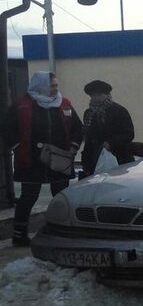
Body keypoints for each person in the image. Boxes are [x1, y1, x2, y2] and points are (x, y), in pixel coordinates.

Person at [4, 71, 83, 246]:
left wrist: (73, 147)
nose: (55, 89)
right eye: (52, 86)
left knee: (61, 197)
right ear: (40, 86)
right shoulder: (21, 105)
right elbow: (7, 129)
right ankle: (19, 234)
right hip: (31, 161)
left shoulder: (64, 104)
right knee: (28, 197)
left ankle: (64, 232)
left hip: (59, 160)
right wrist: (18, 147)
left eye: (56, 85)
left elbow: (77, 128)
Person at [80, 79, 136, 177]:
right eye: (93, 95)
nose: (96, 98)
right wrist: (86, 163)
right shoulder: (89, 113)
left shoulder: (119, 111)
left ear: (106, 94)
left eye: (99, 95)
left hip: (119, 158)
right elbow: (88, 139)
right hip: (95, 159)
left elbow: (129, 134)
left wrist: (111, 143)